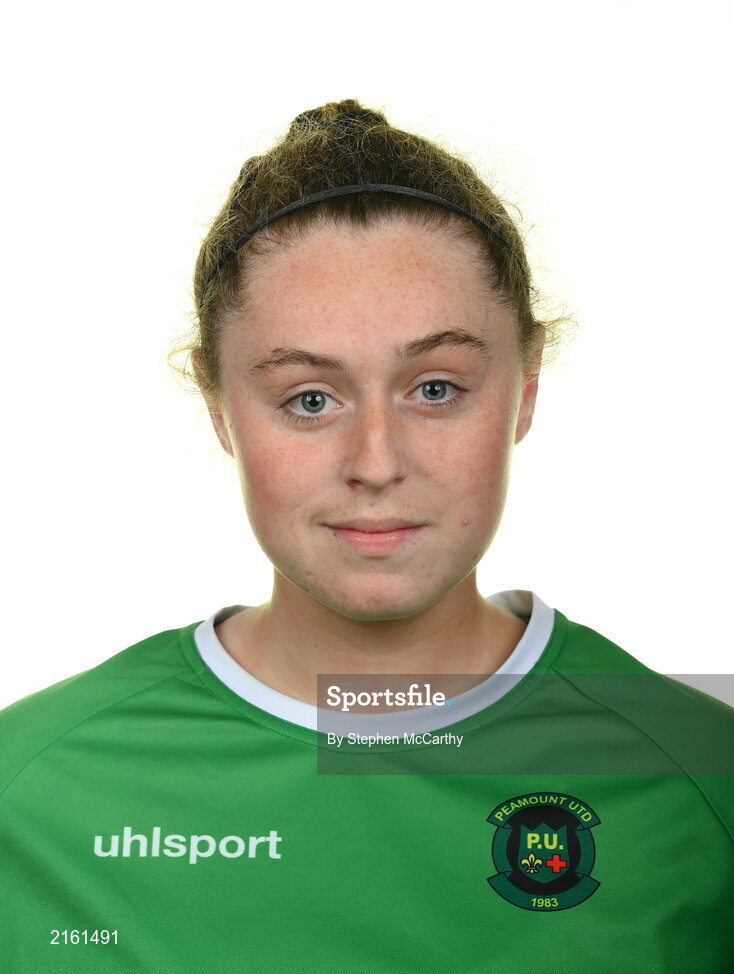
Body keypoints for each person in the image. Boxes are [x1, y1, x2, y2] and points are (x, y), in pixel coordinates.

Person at [1, 98, 732, 973]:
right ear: (218, 405)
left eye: (435, 389)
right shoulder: (29, 793)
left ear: (525, 385)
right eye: (310, 399)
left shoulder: (700, 780)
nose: (376, 464)